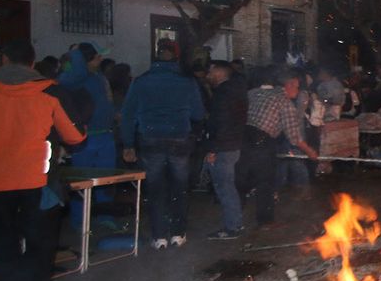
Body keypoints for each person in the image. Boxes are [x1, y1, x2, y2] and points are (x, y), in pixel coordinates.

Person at [0, 38, 85, 281]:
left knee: (2, 240)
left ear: (3, 60)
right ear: (33, 63)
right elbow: (76, 136)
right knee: (39, 244)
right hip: (38, 182)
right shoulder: (52, 92)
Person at [119, 39, 206, 249]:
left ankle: (159, 237)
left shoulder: (140, 81)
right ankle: (178, 233)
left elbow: (128, 114)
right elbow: (198, 113)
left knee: (156, 188)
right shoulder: (187, 82)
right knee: (180, 186)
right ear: (176, 57)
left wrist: (128, 144)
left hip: (150, 138)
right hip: (179, 138)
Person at [240, 67, 318, 228]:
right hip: (261, 142)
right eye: (296, 86)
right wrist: (310, 151)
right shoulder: (285, 103)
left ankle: (235, 218)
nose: (298, 90)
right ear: (288, 85)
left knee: (242, 179)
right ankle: (265, 221)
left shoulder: (253, 93)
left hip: (241, 139)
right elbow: (294, 137)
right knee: (265, 182)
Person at [57, 43, 118, 228]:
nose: (101, 59)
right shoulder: (72, 79)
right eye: (97, 57)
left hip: (105, 136)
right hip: (84, 138)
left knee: (106, 180)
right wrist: (77, 56)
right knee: (81, 181)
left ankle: (105, 216)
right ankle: (79, 220)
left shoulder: (98, 77)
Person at [202, 60, 248, 239]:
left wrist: (213, 149)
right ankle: (235, 224)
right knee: (227, 186)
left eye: (210, 72)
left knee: (224, 187)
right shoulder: (236, 91)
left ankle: (232, 227)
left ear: (219, 73)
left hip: (222, 147)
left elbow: (220, 122)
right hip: (233, 145)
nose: (207, 76)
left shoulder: (222, 93)